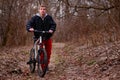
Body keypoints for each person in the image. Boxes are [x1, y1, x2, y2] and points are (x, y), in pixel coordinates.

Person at [26, 4, 56, 70]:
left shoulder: (49, 17)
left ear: (46, 10)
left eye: (44, 9)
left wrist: (51, 29)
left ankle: (46, 65)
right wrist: (30, 28)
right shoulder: (34, 18)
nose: (43, 10)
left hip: (47, 36)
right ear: (39, 10)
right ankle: (42, 66)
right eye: (41, 9)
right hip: (38, 37)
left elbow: (53, 25)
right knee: (41, 52)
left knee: (48, 52)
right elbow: (28, 24)